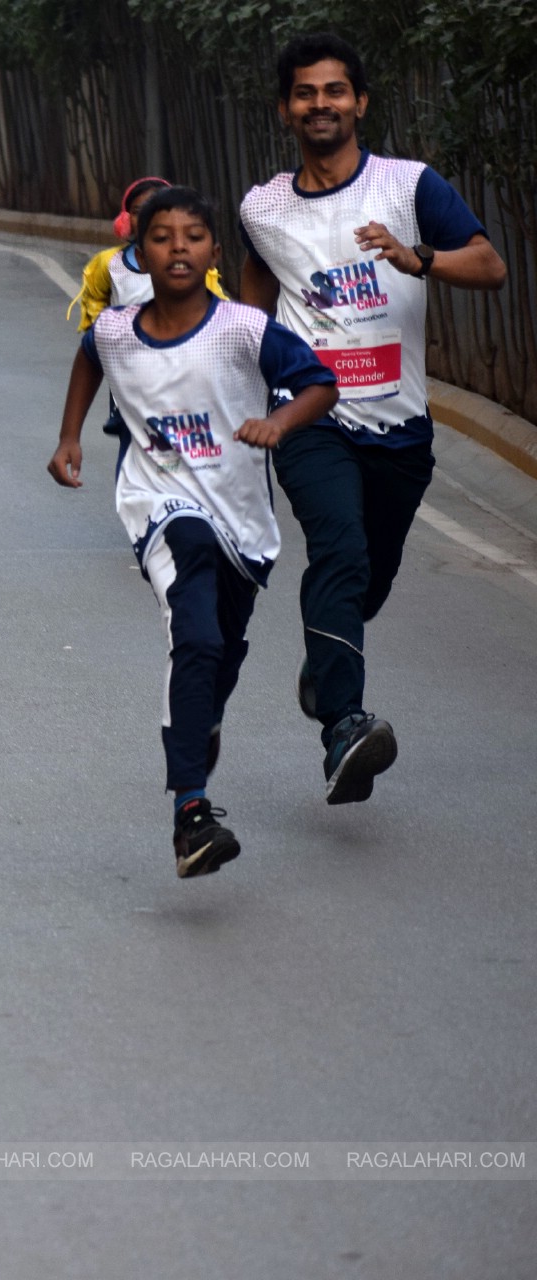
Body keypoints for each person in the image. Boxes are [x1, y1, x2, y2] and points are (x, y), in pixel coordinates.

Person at [239, 33, 507, 803]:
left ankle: (328, 664)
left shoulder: (409, 184)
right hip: (310, 414)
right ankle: (345, 729)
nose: (319, 104)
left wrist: (415, 257)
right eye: (304, 93)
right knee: (341, 550)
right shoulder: (263, 206)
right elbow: (257, 297)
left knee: (368, 579)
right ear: (285, 108)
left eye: (334, 91)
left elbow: (489, 265)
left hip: (401, 425)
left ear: (359, 101)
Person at [49, 188, 340, 877]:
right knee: (198, 631)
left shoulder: (244, 328)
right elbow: (90, 353)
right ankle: (191, 815)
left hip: (242, 518)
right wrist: (70, 437)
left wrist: (279, 424)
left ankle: (198, 721)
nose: (178, 247)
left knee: (222, 650)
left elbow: (320, 385)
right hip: (159, 506)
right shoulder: (117, 328)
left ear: (214, 252)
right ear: (137, 253)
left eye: (193, 236)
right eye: (161, 237)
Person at [71, 178, 228, 436]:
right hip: (128, 350)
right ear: (125, 220)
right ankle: (123, 417)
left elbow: (216, 299)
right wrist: (101, 324)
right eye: (136, 212)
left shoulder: (186, 265)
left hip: (180, 347)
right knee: (131, 429)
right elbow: (95, 295)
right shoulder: (109, 263)